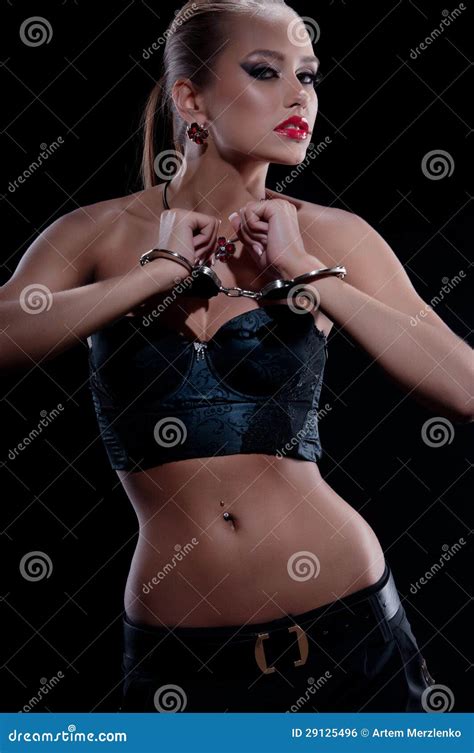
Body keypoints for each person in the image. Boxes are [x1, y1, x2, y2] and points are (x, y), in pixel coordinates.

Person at [1, 0, 471, 713]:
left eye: (308, 77)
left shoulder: (329, 237)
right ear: (190, 97)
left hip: (348, 628)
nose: (299, 97)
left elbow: (462, 387)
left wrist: (308, 275)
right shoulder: (96, 232)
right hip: (179, 656)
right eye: (265, 71)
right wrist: (150, 277)